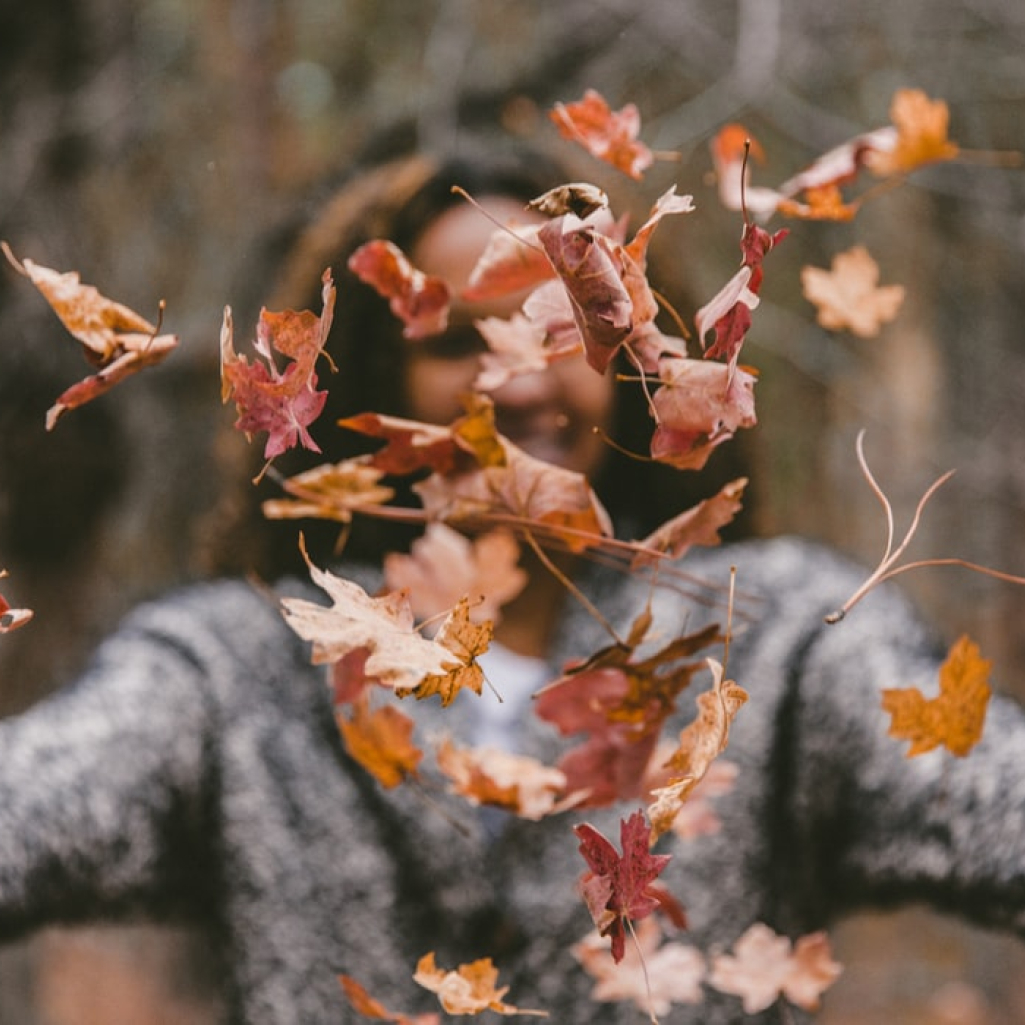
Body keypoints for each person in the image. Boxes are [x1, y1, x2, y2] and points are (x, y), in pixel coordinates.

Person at [2, 123, 1024, 1025]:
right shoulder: (237, 671)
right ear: (377, 382)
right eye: (454, 342)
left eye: (561, 325)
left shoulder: (774, 637)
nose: (520, 375)